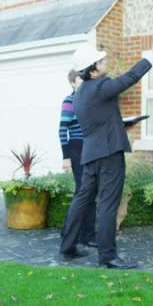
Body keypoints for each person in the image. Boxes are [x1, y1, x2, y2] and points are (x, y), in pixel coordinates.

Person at [59, 36, 153, 269]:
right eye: (100, 61)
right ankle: (108, 256)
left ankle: (67, 246)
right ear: (93, 71)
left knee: (82, 198)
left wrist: (121, 124)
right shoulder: (100, 86)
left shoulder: (79, 94)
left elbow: (98, 121)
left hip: (91, 154)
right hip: (109, 154)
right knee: (108, 203)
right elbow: (131, 77)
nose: (104, 62)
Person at [58, 69, 97, 248]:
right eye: (80, 80)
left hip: (90, 148)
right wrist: (66, 157)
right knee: (84, 191)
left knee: (87, 191)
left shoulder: (88, 101)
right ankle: (84, 235)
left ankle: (72, 231)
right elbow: (62, 129)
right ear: (73, 83)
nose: (83, 82)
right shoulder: (69, 101)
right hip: (75, 148)